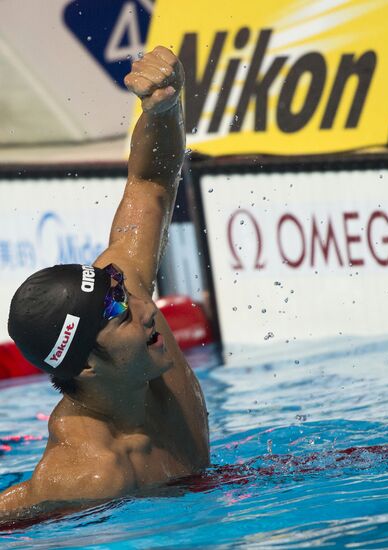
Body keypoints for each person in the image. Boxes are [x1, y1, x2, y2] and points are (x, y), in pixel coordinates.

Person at [0, 46, 209, 524]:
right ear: (88, 367)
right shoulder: (88, 474)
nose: (147, 308)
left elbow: (151, 180)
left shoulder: (128, 298)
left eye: (125, 292)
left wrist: (163, 108)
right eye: (121, 315)